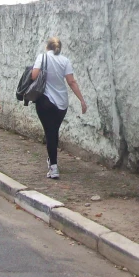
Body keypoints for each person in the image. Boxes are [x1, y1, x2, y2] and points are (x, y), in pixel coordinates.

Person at [31, 37, 87, 179]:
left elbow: (34, 75)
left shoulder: (42, 57)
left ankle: (54, 167)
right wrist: (82, 100)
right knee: (53, 131)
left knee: (49, 132)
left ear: (47, 47)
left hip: (45, 101)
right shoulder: (65, 61)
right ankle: (51, 160)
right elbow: (71, 82)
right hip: (61, 103)